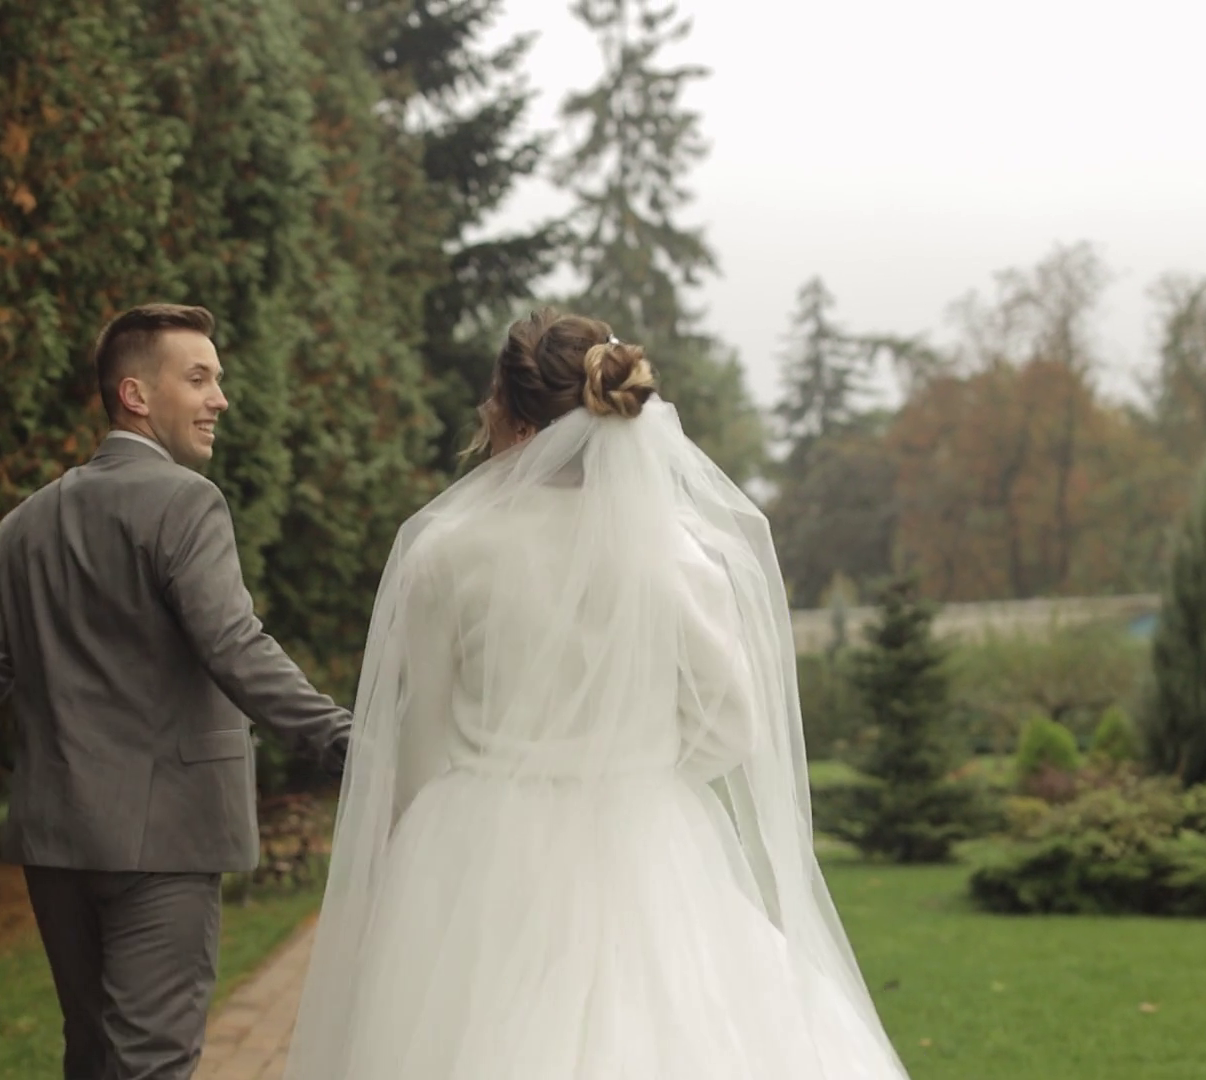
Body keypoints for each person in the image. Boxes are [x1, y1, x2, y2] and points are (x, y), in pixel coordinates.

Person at [283, 310, 911, 1079]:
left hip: (482, 848)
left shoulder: (448, 552)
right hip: (644, 839)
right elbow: (731, 726)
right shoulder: (674, 554)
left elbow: (422, 734)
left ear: (510, 415)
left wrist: (407, 852)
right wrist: (633, 763)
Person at [0, 303, 352, 1080]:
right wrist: (350, 743)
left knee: (92, 1058)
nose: (220, 398)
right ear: (135, 395)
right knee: (151, 1065)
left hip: (58, 846)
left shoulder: (26, 524)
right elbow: (235, 647)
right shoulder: (187, 502)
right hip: (168, 843)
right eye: (199, 379)